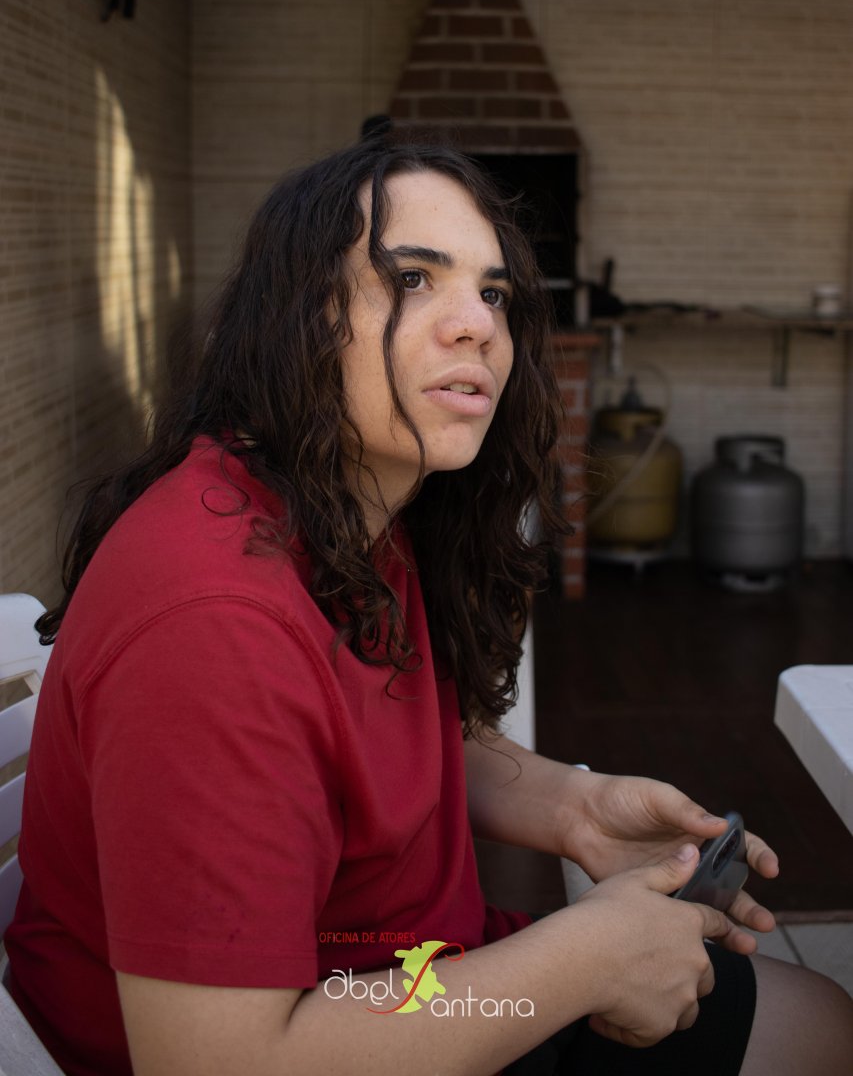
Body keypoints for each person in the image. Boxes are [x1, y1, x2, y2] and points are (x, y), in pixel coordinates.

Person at [6, 139, 852, 1076]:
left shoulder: (342, 506)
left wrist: (575, 809)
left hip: (405, 977)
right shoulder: (211, 622)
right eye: (411, 277)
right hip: (328, 1031)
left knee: (818, 1020)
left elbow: (359, 745)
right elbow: (219, 1059)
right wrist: (585, 960)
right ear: (296, 318)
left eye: (493, 292)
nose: (477, 324)